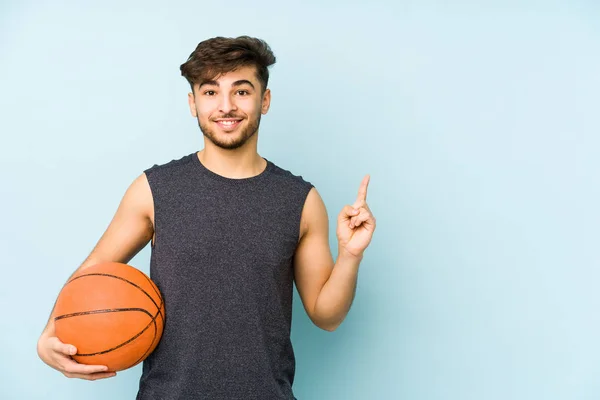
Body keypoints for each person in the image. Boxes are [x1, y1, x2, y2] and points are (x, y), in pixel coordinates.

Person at [37, 35, 376, 399]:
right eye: (210, 92)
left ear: (265, 100)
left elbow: (327, 316)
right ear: (192, 102)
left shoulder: (301, 200)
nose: (226, 106)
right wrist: (49, 335)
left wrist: (350, 255)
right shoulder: (153, 190)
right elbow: (93, 272)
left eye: (242, 91)